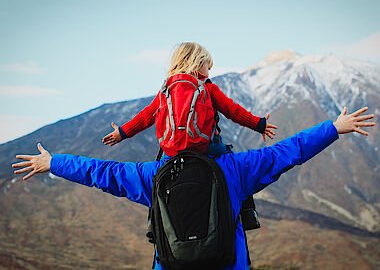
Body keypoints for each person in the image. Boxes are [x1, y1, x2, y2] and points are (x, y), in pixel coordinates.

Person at [12, 107, 375, 270]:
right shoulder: (236, 168)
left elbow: (102, 172)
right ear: (213, 131)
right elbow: (288, 151)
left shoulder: (155, 174)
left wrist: (53, 162)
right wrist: (333, 127)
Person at [102, 42, 277, 229]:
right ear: (197, 63)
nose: (209, 72)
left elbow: (146, 116)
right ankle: (248, 213)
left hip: (172, 150)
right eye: (208, 66)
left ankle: (154, 222)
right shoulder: (208, 88)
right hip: (206, 146)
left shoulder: (166, 90)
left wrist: (122, 133)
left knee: (159, 177)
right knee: (235, 167)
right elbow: (232, 110)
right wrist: (258, 124)